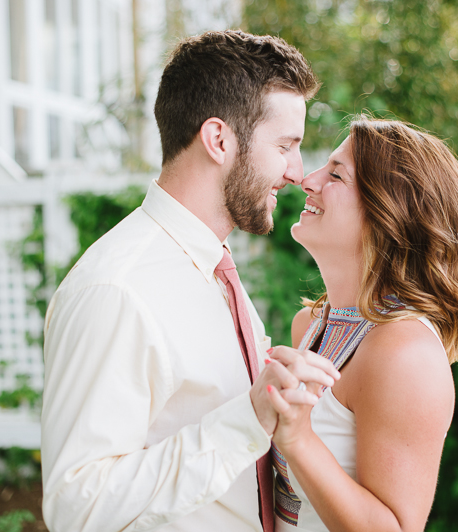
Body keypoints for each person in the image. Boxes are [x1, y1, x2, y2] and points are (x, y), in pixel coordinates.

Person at [40, 30, 341, 532]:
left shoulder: (211, 267)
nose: (296, 172)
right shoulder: (118, 290)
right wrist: (247, 419)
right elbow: (78, 507)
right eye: (286, 146)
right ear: (219, 140)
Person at [264, 117, 458, 531]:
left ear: (387, 212)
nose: (308, 180)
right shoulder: (310, 325)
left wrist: (299, 441)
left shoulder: (406, 354)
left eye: (335, 174)